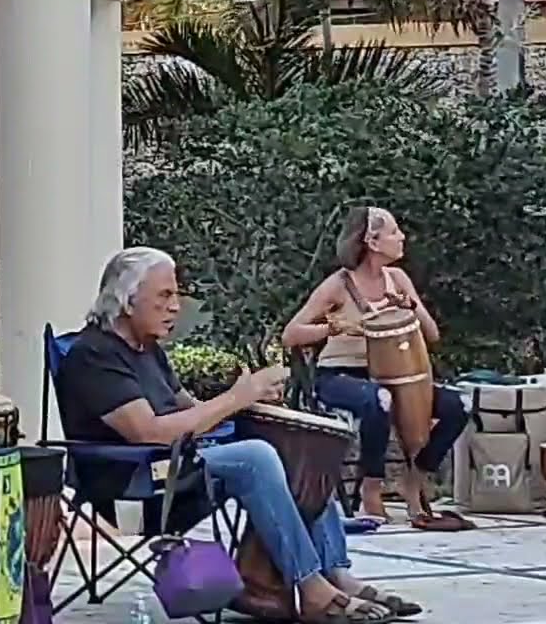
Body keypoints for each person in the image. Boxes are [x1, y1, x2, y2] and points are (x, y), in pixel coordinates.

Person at [56, 247, 421, 624]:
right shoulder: (94, 355)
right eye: (164, 295)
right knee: (256, 458)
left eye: (176, 294)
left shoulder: (147, 350)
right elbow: (150, 432)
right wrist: (236, 397)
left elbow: (190, 409)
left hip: (178, 465)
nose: (175, 306)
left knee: (307, 452)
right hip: (135, 480)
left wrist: (251, 399)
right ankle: (310, 588)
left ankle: (334, 574)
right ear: (126, 301)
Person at [283, 206, 468, 529]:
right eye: (394, 231)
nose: (402, 237)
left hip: (395, 377)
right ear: (371, 239)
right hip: (340, 377)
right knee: (379, 399)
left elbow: (432, 334)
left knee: (458, 405)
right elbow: (290, 335)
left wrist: (408, 305)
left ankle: (414, 477)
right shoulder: (338, 285)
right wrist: (334, 328)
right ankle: (372, 486)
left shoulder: (397, 279)